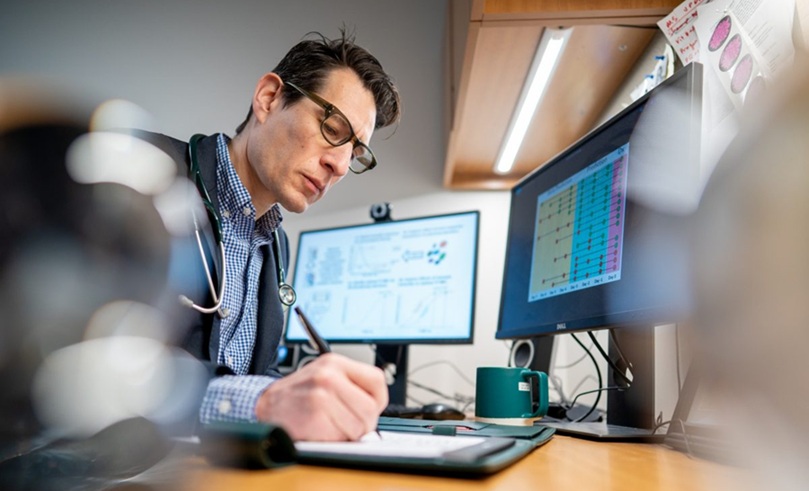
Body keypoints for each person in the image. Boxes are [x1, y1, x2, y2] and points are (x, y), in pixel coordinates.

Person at [138, 29, 401, 442]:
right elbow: (89, 360)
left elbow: (247, 376)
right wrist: (265, 402)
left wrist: (313, 398)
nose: (339, 165)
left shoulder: (275, 246)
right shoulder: (144, 178)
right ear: (269, 98)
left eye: (356, 152)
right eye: (333, 128)